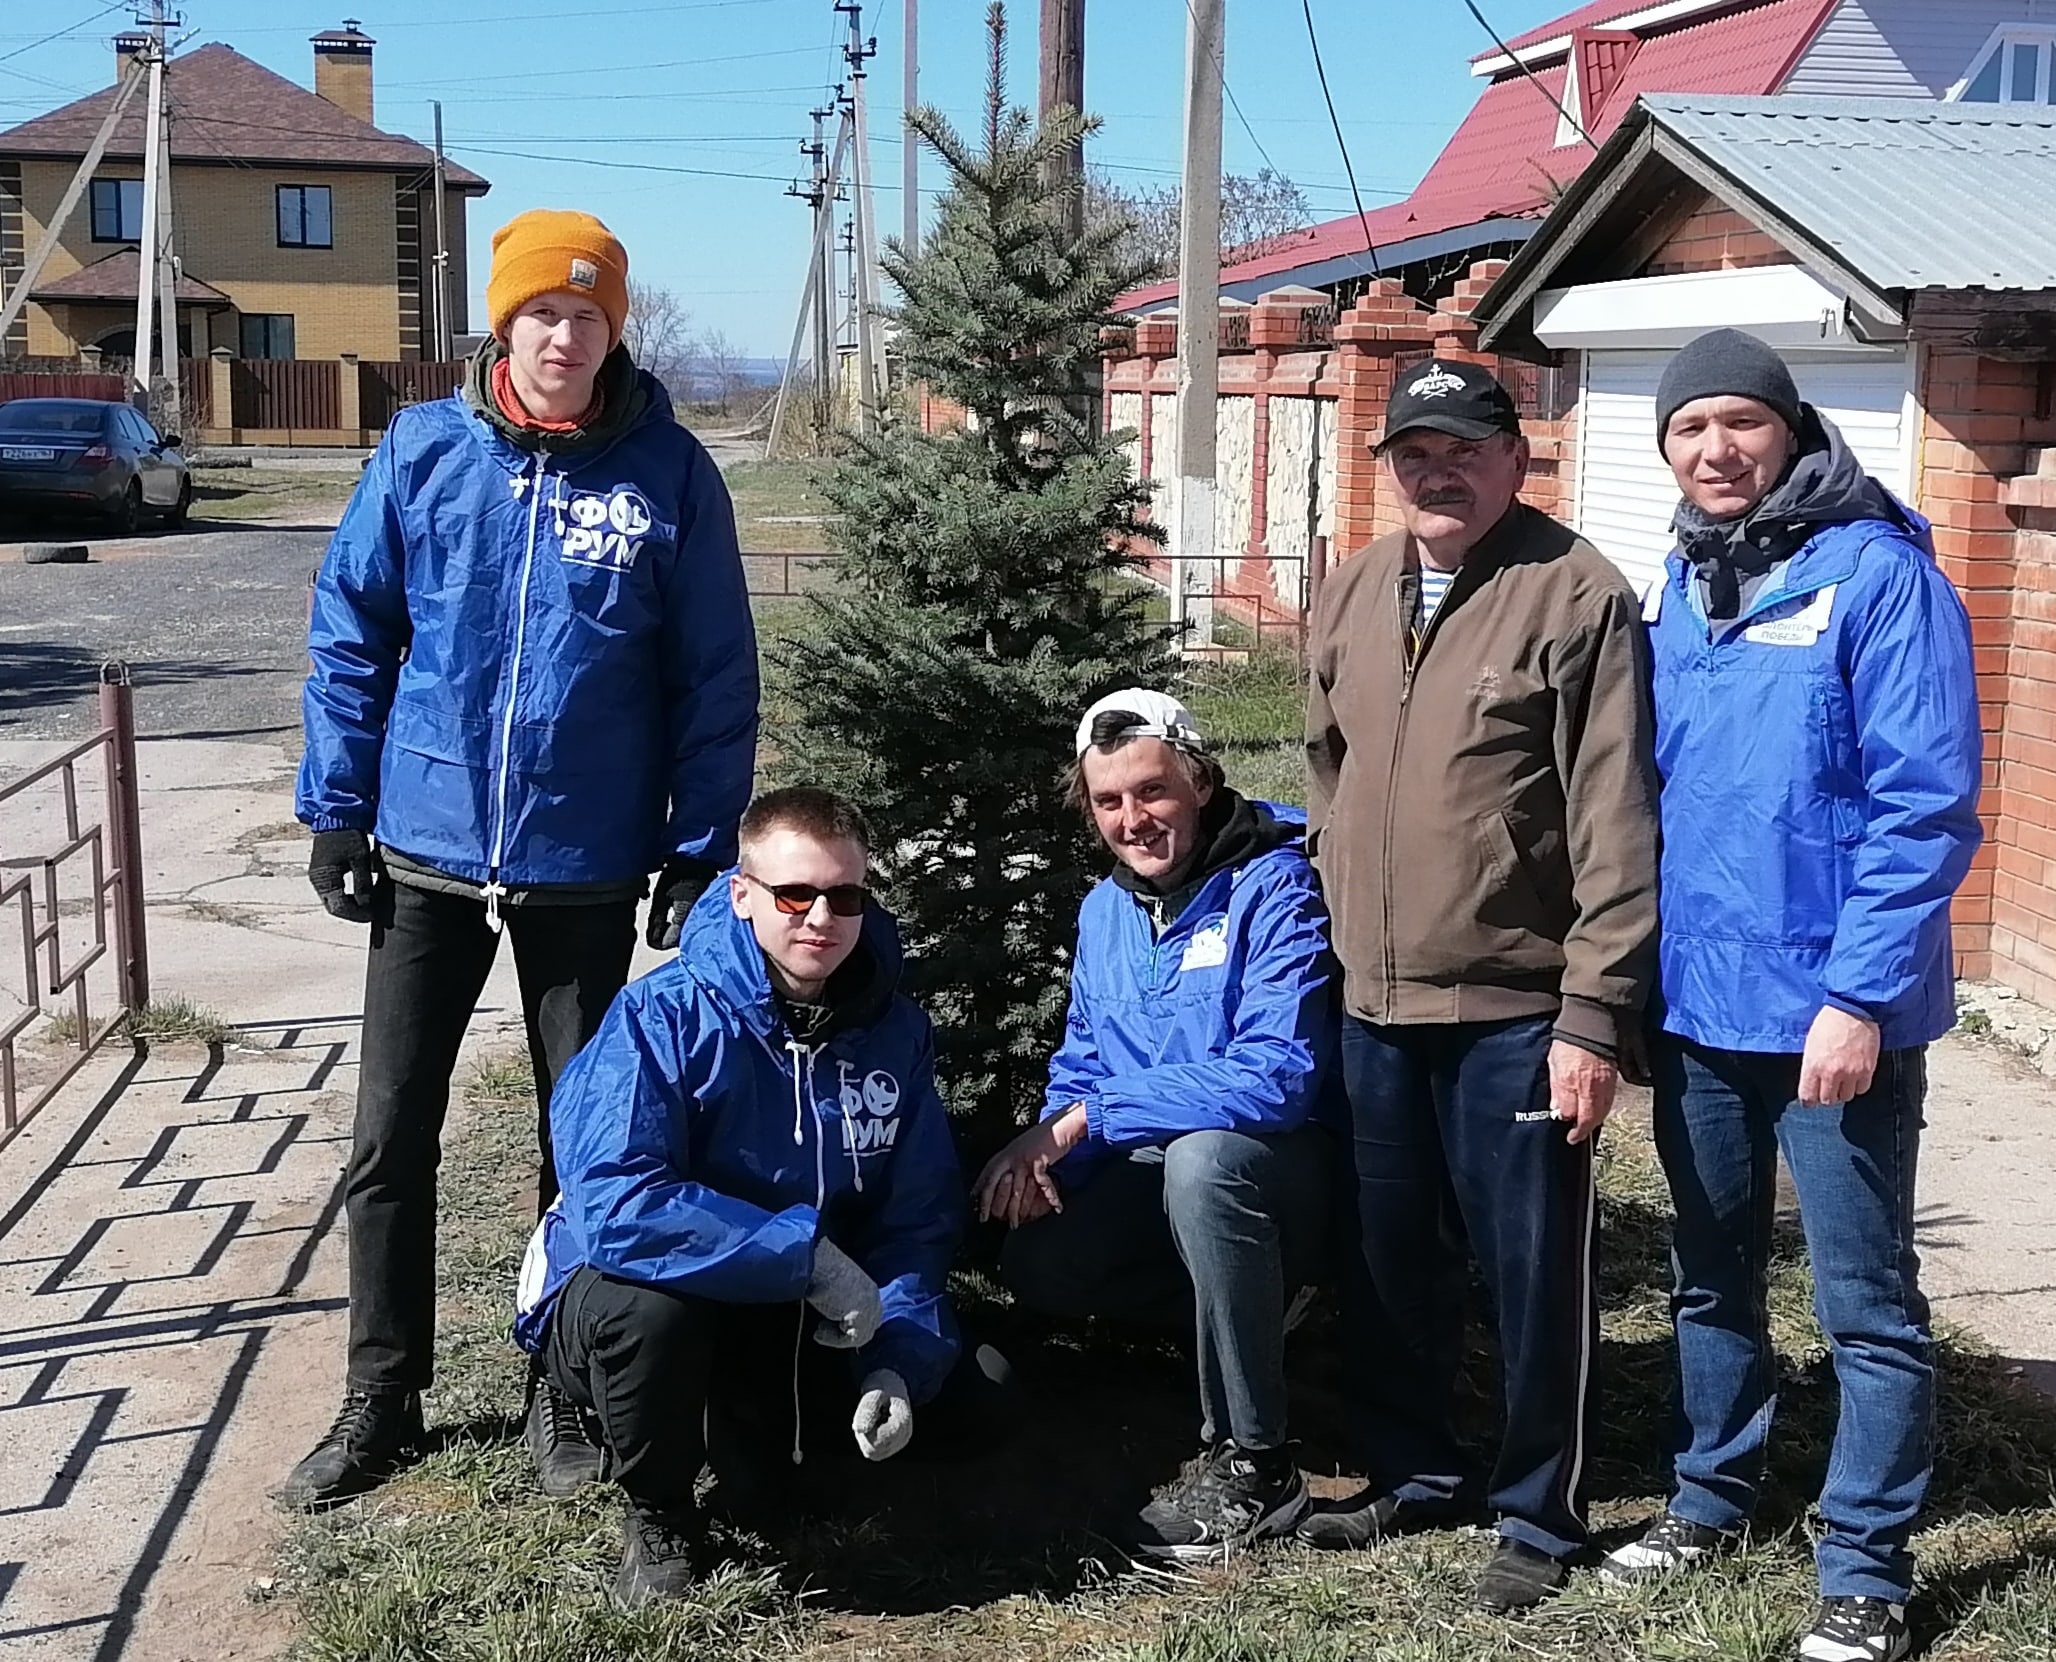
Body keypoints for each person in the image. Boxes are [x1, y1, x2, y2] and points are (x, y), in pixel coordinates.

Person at [282, 209, 760, 1510]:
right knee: (390, 1135)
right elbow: (353, 625)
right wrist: (336, 805)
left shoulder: (665, 475)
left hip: (585, 863)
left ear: (616, 329)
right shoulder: (426, 452)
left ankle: (563, 1384)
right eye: (542, 311)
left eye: (588, 314)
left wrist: (696, 843)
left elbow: (713, 674)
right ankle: (381, 1392)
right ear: (505, 321)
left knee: (584, 1142)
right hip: (426, 856)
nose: (563, 335)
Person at [1598, 330, 1981, 1662]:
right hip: (1700, 1009)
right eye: (1688, 425)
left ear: (1789, 428)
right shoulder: (1681, 583)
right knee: (1708, 1277)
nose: (1715, 449)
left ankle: (1866, 1565)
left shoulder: (1878, 576)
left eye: (1739, 423)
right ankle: (1711, 1496)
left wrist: (1859, 998)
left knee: (1862, 1301)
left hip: (1832, 1016)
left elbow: (1922, 805)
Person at [1302, 358, 1660, 1610]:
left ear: (1517, 458)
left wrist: (1592, 1013)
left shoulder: (1578, 595)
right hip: (1374, 1001)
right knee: (1388, 1255)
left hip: (1517, 1011)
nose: (1434, 471)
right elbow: (1325, 763)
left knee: (1531, 1269)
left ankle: (1539, 1509)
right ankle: (1412, 1474)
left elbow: (1617, 822)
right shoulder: (1351, 586)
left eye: (1461, 448)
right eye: (1412, 452)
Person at [515, 786, 972, 1608]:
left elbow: (919, 1216)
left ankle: (756, 1425)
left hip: (788, 1296)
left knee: (987, 1401)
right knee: (656, 1319)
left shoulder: (895, 1029)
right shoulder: (660, 1016)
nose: (821, 918)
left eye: (845, 895)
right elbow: (620, 1207)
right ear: (742, 894)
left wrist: (897, 1360)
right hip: (630, 1282)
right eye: (794, 894)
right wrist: (804, 1255)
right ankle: (655, 1508)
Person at [979, 690, 1333, 1564]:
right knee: (1043, 1263)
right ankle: (1251, 1324)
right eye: (1109, 802)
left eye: (1153, 792)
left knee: (1204, 1165)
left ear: (1202, 782)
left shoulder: (1275, 885)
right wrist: (1048, 1156)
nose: (1133, 821)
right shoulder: (1106, 911)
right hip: (1153, 1170)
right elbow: (1086, 1057)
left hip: (1279, 1171)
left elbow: (1278, 1076)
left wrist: (1095, 1118)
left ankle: (1256, 1459)